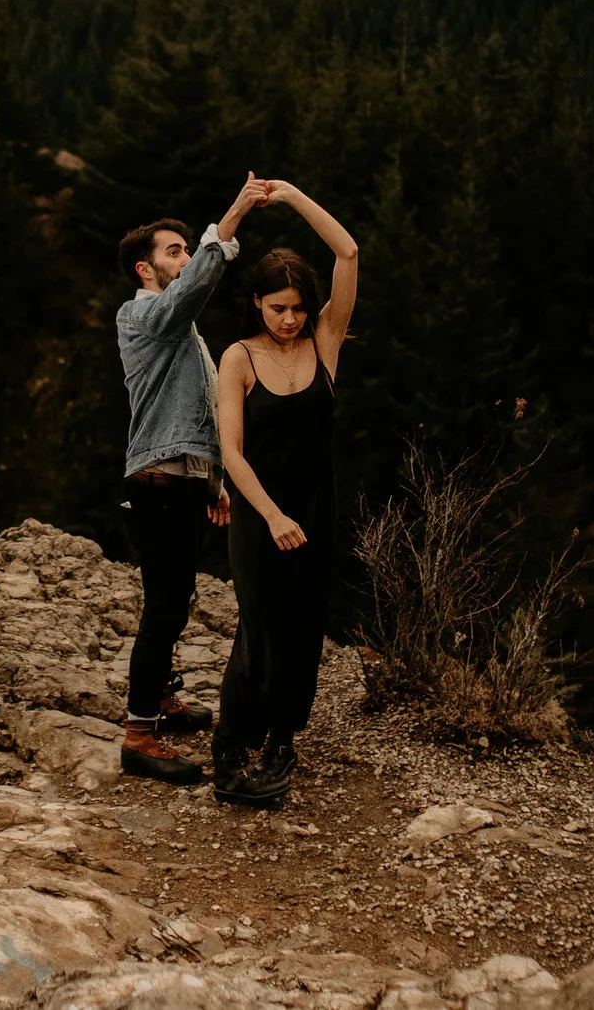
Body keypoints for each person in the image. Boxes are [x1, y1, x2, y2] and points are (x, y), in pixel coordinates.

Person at [113, 172, 269, 784]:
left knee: (177, 601)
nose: (184, 259)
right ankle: (138, 735)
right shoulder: (144, 314)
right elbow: (195, 289)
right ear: (145, 271)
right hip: (156, 483)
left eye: (186, 249)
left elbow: (202, 410)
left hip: (181, 482)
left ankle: (163, 700)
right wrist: (230, 219)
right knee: (164, 607)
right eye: (172, 252)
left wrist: (215, 482)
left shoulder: (180, 331)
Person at [211, 182, 358, 806]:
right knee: (260, 630)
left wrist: (294, 197)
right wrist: (271, 515)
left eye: (298, 307)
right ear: (257, 305)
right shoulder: (238, 357)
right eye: (278, 308)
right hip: (260, 515)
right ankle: (228, 747)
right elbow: (232, 454)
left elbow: (348, 254)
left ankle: (280, 741)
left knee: (303, 631)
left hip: (317, 511)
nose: (291, 319)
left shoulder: (325, 344)